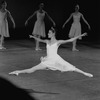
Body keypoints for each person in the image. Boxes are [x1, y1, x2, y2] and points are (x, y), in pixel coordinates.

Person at [9, 27, 93, 77]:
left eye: (49, 33)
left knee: (69, 67)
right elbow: (40, 39)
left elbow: (70, 40)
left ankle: (84, 73)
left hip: (55, 60)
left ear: (53, 34)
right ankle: (18, 72)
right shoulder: (47, 41)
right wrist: (33, 37)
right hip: (47, 60)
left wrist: (80, 35)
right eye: (48, 32)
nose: (48, 34)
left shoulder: (58, 42)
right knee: (33, 69)